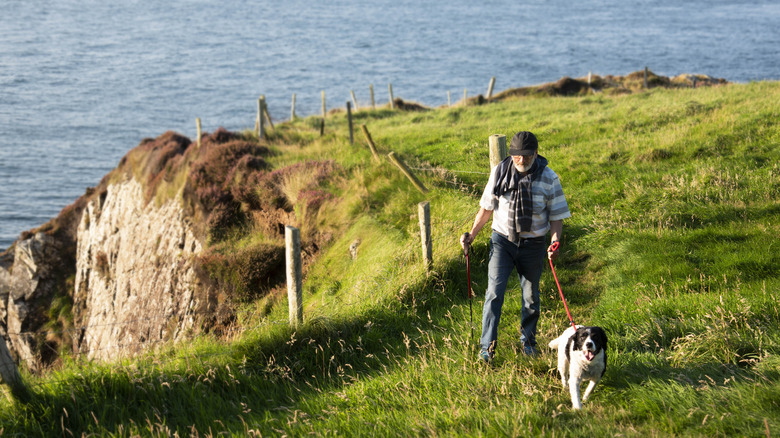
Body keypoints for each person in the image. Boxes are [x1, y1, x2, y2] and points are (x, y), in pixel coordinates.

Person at [460, 130, 571, 362]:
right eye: (517, 156)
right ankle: (486, 349)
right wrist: (472, 234)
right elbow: (486, 208)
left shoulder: (549, 178)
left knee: (531, 297)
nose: (521, 160)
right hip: (502, 241)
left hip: (533, 244)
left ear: (536, 153)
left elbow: (557, 216)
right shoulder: (499, 172)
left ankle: (529, 343)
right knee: (493, 294)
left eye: (526, 156)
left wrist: (555, 241)